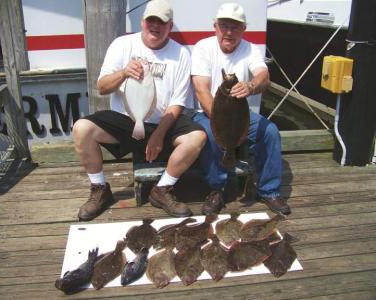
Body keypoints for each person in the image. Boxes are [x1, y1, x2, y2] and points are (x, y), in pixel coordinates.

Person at [72, 0, 206, 221]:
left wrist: (159, 135)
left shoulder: (181, 54)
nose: (155, 26)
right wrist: (124, 73)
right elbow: (102, 87)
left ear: (169, 26)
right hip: (127, 122)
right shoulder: (122, 45)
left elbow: (178, 102)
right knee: (81, 128)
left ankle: (162, 189)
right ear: (143, 22)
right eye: (150, 21)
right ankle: (99, 189)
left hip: (164, 122)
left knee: (197, 137)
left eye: (161, 22)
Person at [191, 2, 291, 215]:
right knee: (209, 133)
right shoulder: (202, 47)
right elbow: (201, 90)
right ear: (215, 26)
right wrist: (218, 121)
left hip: (240, 115)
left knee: (270, 131)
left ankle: (269, 190)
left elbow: (264, 77)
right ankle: (216, 189)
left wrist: (251, 85)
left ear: (244, 29)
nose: (229, 32)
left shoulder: (251, 49)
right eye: (224, 26)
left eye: (235, 27)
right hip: (207, 113)